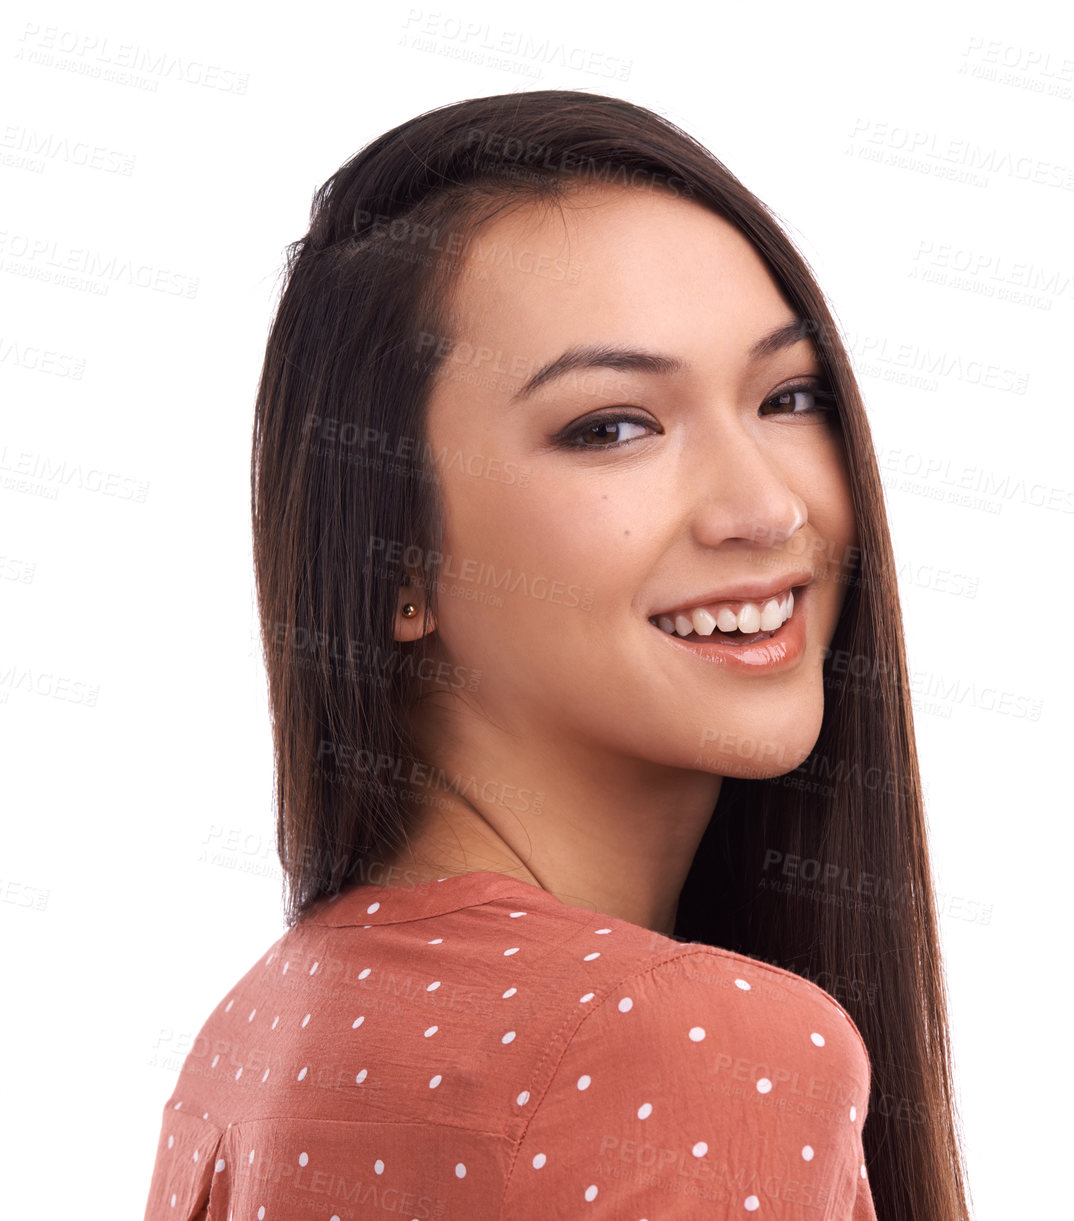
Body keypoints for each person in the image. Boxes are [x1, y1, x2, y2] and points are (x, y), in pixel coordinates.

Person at [142, 90, 969, 1220]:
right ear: (394, 563)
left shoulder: (256, 1034)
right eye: (612, 426)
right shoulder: (694, 1041)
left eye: (788, 396)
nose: (765, 507)